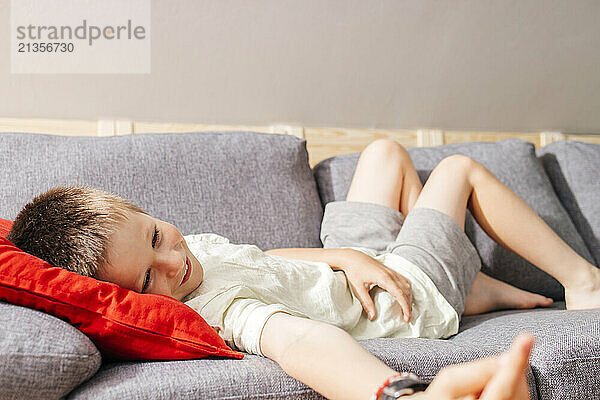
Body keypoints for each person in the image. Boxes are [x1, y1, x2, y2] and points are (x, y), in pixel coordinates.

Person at [6, 139, 600, 400]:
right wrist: (394, 393)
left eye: (158, 237)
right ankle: (581, 280)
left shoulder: (190, 257)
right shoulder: (215, 311)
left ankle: (462, 278)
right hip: (395, 303)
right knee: (457, 172)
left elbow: (263, 261)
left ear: (147, 215)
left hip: (351, 271)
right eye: (146, 280)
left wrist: (345, 255)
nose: (174, 264)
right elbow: (302, 343)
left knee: (385, 154)